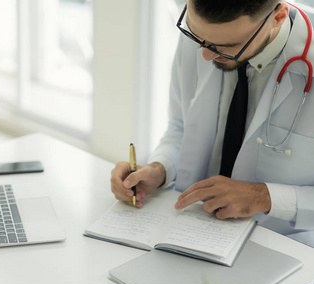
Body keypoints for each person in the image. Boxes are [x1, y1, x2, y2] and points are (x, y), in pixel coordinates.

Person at [111, 0, 314, 246]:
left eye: (227, 46)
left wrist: (265, 197)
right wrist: (159, 168)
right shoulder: (205, 36)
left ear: (278, 17)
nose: (205, 54)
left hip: (285, 244)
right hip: (194, 231)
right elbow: (180, 127)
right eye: (196, 35)